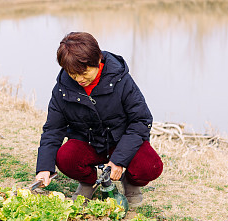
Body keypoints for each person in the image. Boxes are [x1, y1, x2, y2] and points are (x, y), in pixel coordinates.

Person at [35, 32, 163, 207]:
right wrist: (44, 168)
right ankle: (89, 183)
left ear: (97, 61)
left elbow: (141, 121)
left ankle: (130, 183)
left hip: (121, 140)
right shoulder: (62, 89)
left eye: (84, 72)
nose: (79, 79)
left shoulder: (121, 80)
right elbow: (53, 129)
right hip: (88, 142)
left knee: (150, 166)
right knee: (66, 157)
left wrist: (119, 160)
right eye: (73, 74)